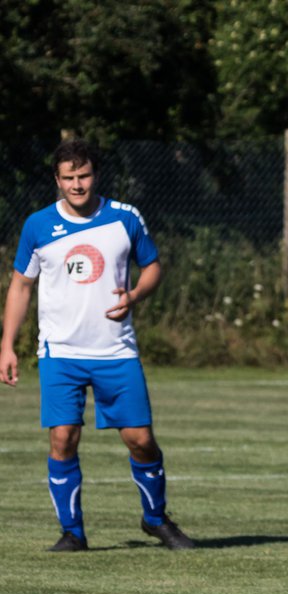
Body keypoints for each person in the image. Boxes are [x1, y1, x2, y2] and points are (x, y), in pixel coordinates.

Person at [0, 139, 194, 552]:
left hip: (116, 351)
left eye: (83, 175)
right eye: (68, 177)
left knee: (141, 439)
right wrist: (7, 345)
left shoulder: (125, 218)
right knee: (62, 439)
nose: (77, 184)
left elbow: (153, 266)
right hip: (60, 353)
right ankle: (73, 533)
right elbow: (21, 285)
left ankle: (156, 520)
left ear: (96, 175)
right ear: (57, 180)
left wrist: (135, 295)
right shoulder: (38, 225)